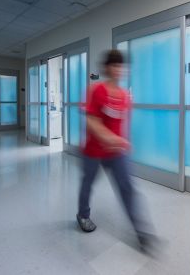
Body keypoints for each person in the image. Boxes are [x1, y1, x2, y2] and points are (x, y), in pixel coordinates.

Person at [76, 49, 155, 251]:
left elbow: (121, 124)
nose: (118, 69)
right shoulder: (96, 89)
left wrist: (121, 142)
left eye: (121, 65)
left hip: (116, 152)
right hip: (94, 149)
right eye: (114, 65)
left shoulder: (124, 95)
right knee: (88, 183)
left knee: (127, 188)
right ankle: (83, 215)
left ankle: (142, 232)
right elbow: (92, 122)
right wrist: (113, 139)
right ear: (106, 68)